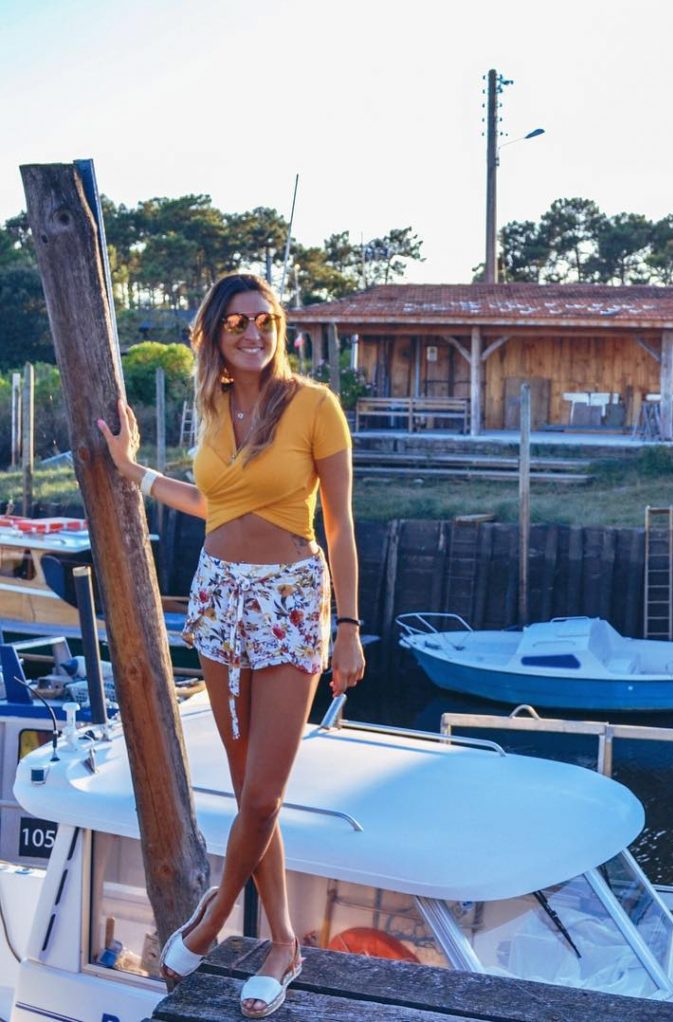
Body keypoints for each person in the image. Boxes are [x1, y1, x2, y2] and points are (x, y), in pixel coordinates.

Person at [98, 273, 365, 1018]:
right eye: (238, 322)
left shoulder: (316, 406)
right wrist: (131, 469)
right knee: (250, 788)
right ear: (215, 335)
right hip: (219, 598)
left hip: (288, 602)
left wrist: (348, 627)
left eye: (265, 319)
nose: (254, 332)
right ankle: (283, 942)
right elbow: (214, 501)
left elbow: (340, 527)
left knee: (262, 794)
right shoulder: (214, 410)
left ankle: (210, 922)